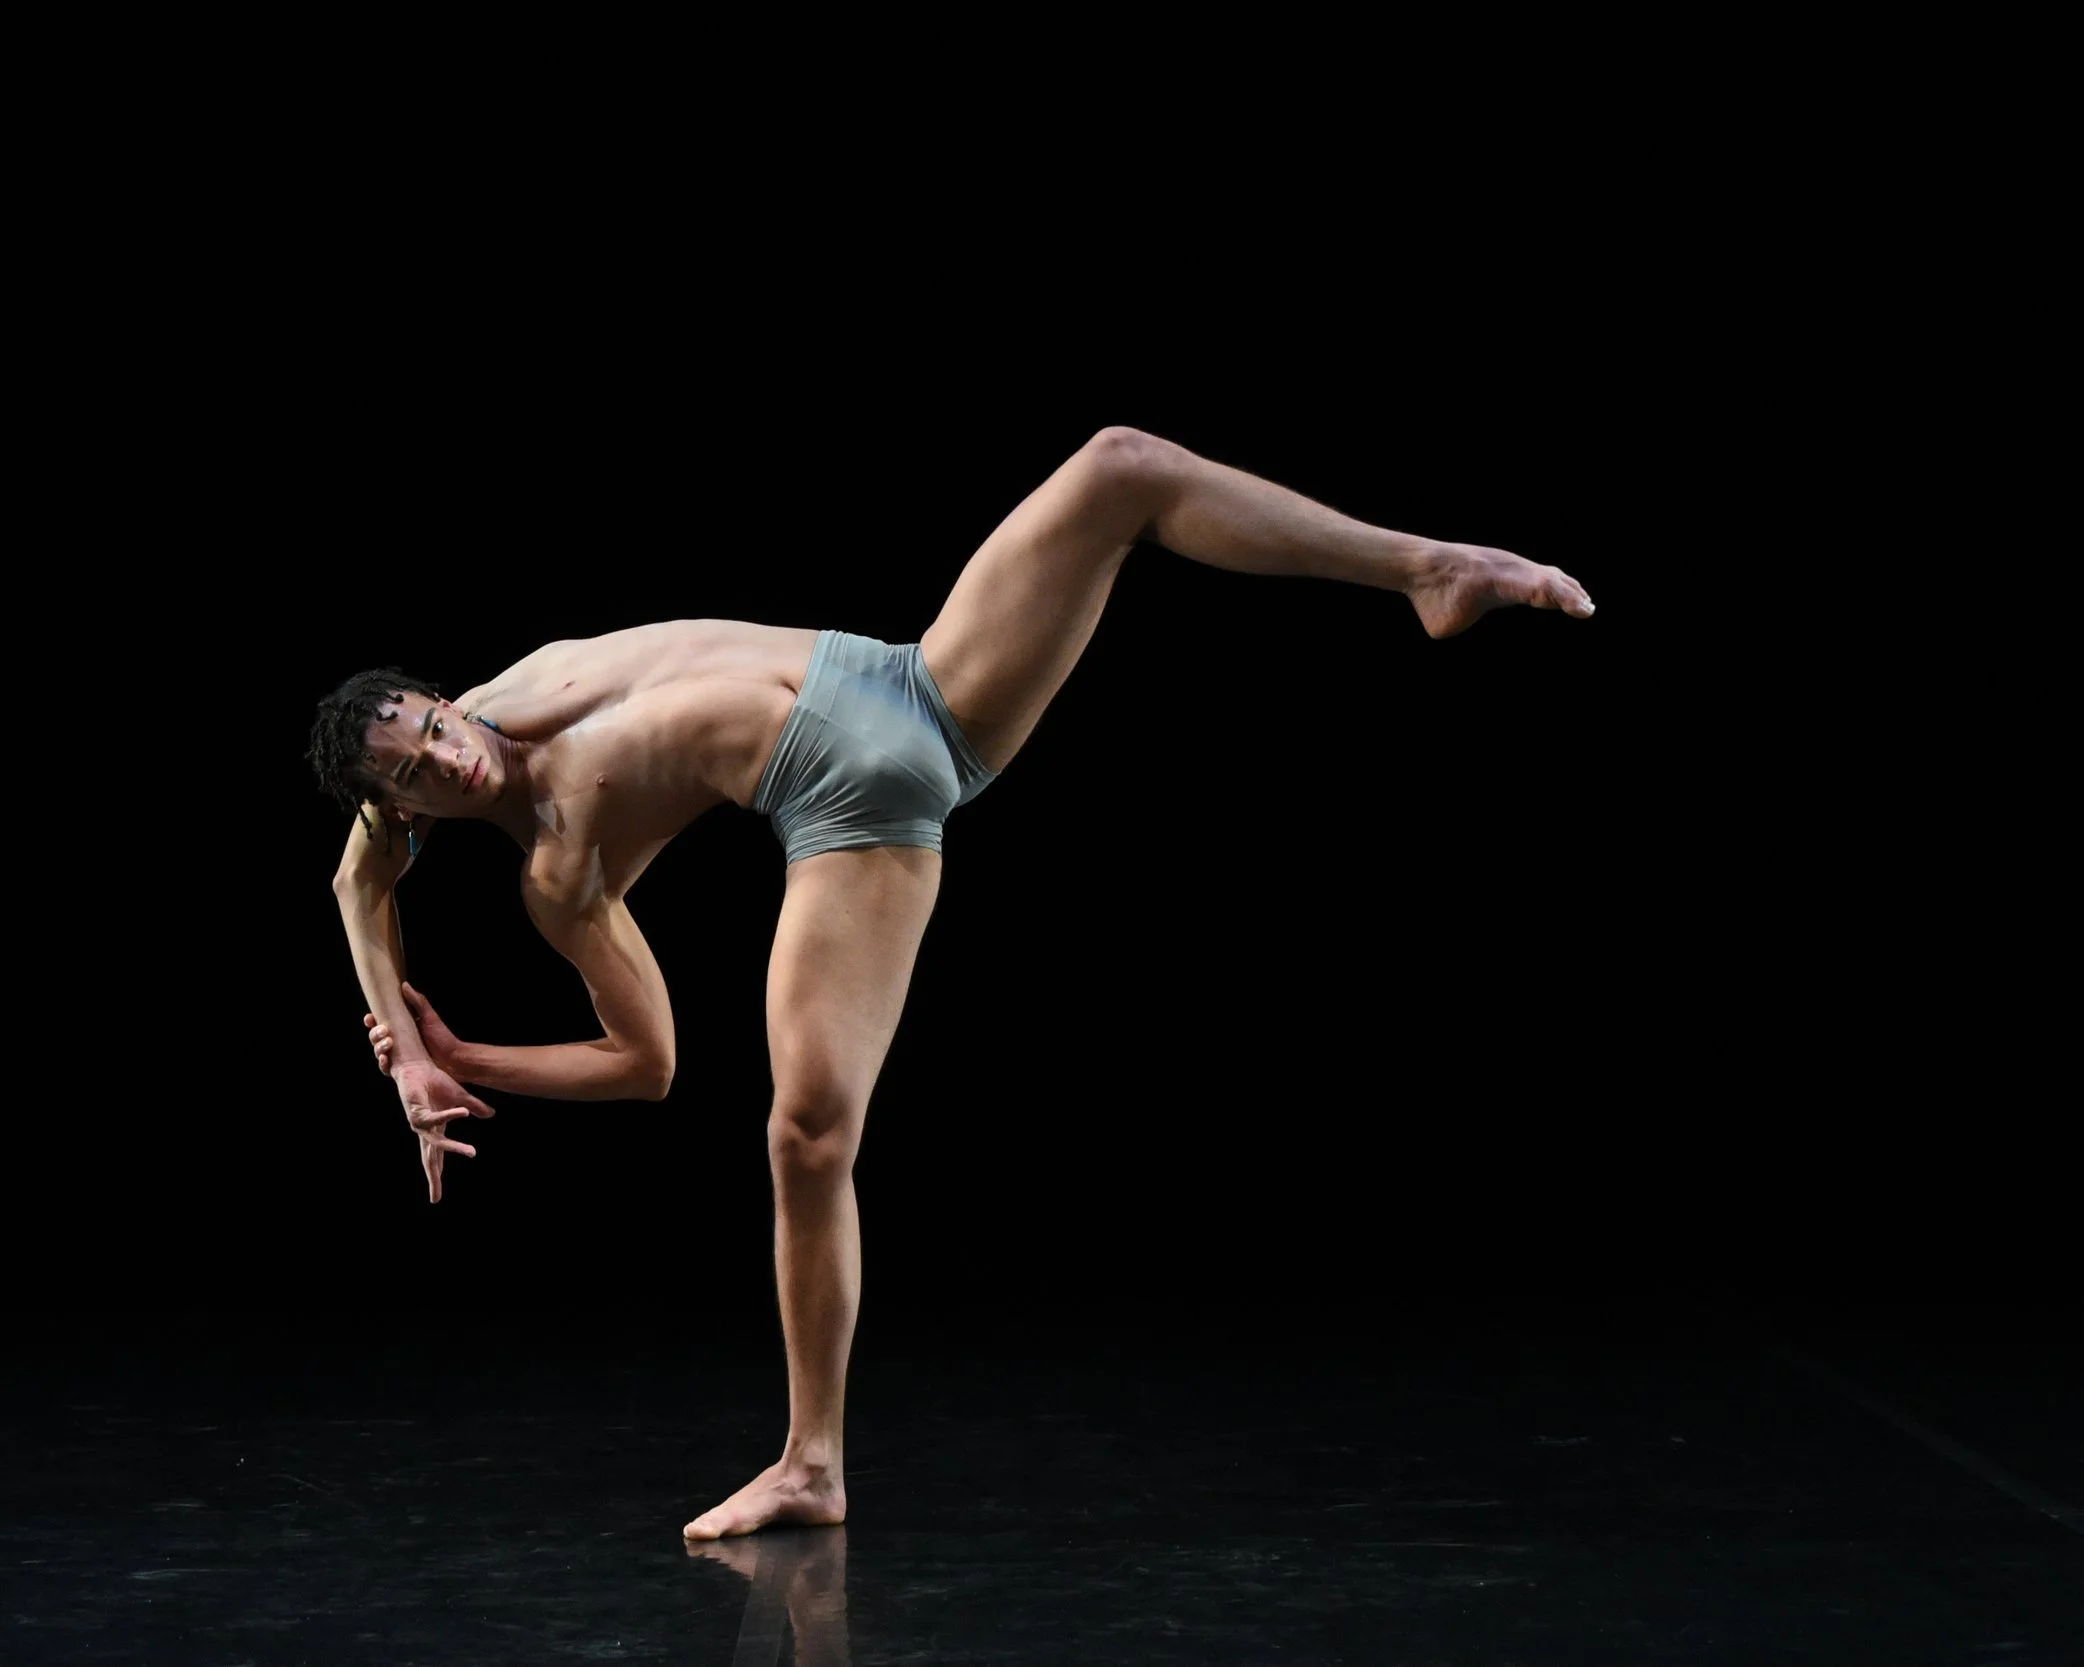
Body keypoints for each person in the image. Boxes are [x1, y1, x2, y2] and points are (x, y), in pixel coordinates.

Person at [305, 426, 1595, 1541]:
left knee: (1119, 467)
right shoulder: (556, 875)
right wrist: (451, 1063)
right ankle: (813, 1463)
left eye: (430, 727)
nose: (447, 756)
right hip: (851, 809)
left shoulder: (515, 681)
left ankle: (1432, 567)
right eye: (414, 774)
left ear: (436, 698)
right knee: (806, 1139)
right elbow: (644, 1066)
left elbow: (351, 890)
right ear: (400, 811)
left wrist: (411, 1046)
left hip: (916, 680)